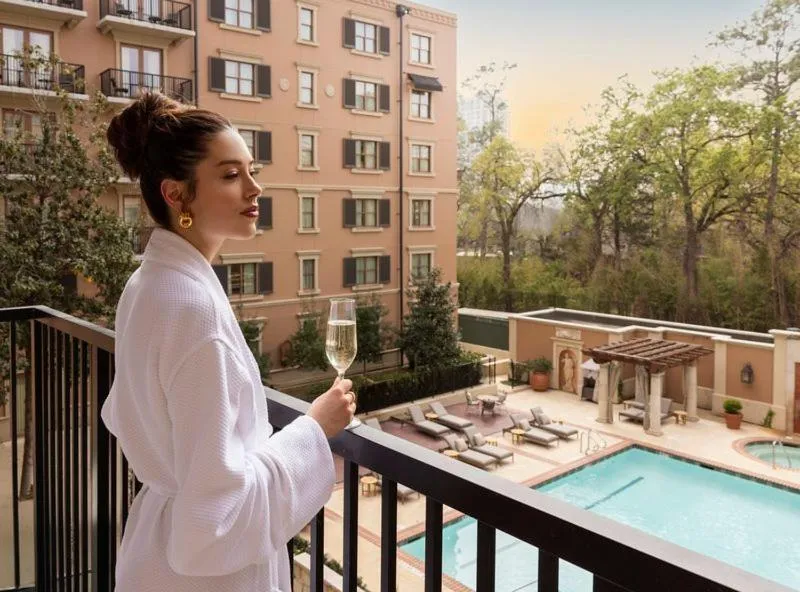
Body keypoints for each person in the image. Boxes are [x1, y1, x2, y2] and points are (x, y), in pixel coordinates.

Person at [100, 92, 355, 592]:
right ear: (177, 195)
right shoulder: (194, 314)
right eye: (230, 175)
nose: (255, 188)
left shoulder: (149, 284)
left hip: (153, 554)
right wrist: (313, 429)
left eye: (251, 170)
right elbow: (212, 521)